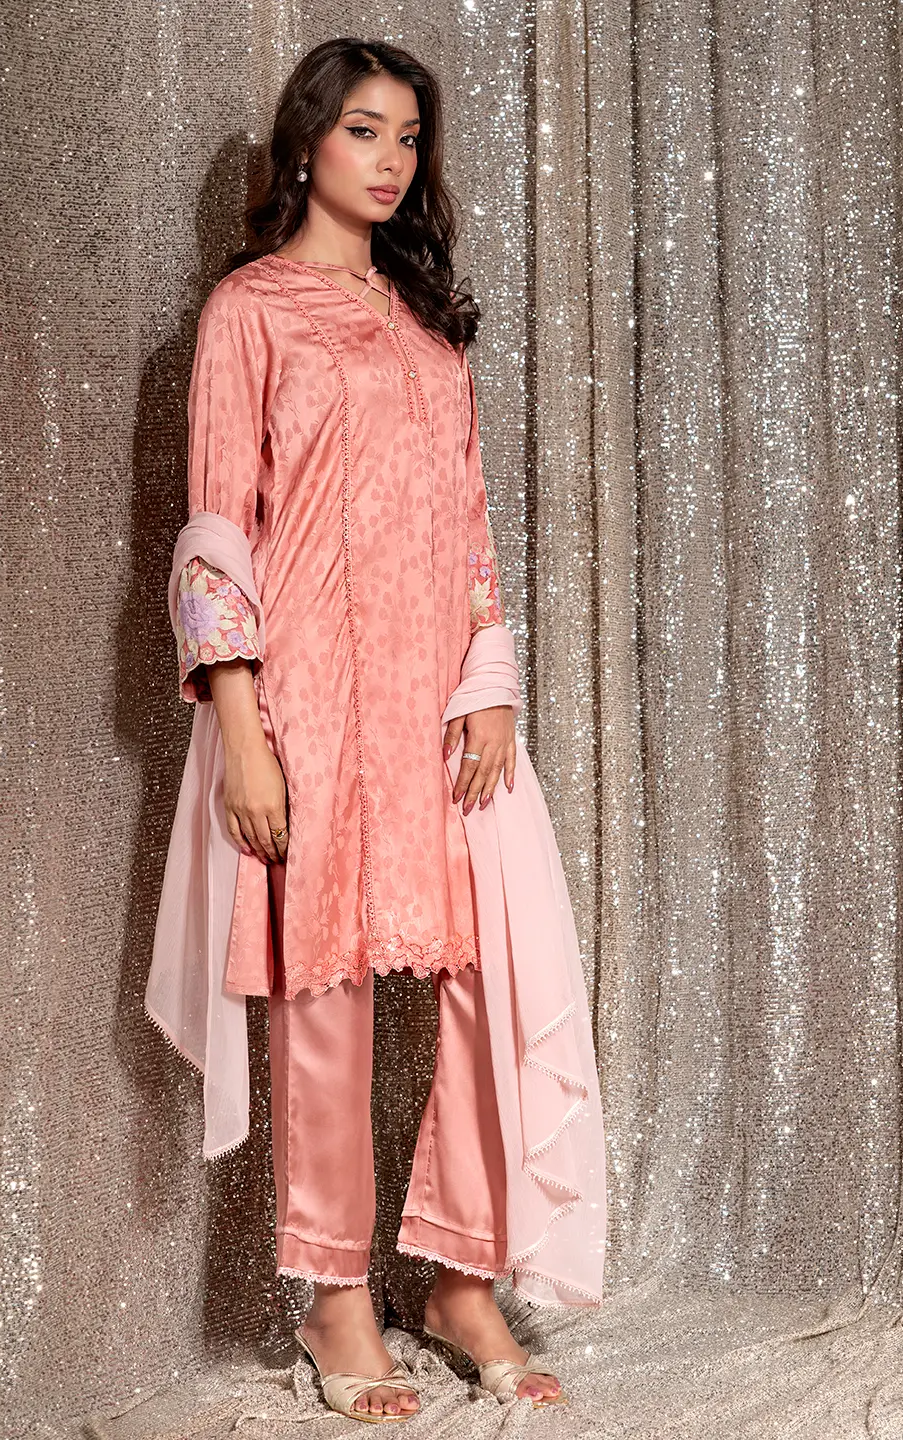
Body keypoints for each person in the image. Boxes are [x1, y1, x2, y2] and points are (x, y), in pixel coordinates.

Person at [148, 36, 605, 1424]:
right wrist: (240, 725)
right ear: (306, 144)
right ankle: (336, 1292)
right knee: (325, 992)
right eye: (364, 129)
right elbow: (217, 528)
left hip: (439, 701)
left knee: (483, 978)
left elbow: (468, 526)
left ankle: (460, 1275)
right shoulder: (250, 312)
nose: (393, 159)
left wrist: (493, 680)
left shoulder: (426, 325)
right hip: (306, 700)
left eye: (410, 135)